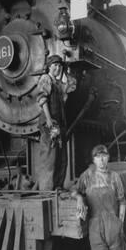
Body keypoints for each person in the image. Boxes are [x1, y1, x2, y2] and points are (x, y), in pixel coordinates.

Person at [35, 54, 75, 190]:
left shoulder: (58, 84)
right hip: (50, 125)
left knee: (62, 158)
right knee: (49, 157)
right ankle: (47, 190)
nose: (57, 68)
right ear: (49, 67)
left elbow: (71, 87)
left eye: (59, 66)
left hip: (59, 125)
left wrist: (67, 70)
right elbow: (42, 99)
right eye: (55, 66)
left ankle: (58, 186)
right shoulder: (46, 79)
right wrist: (48, 119)